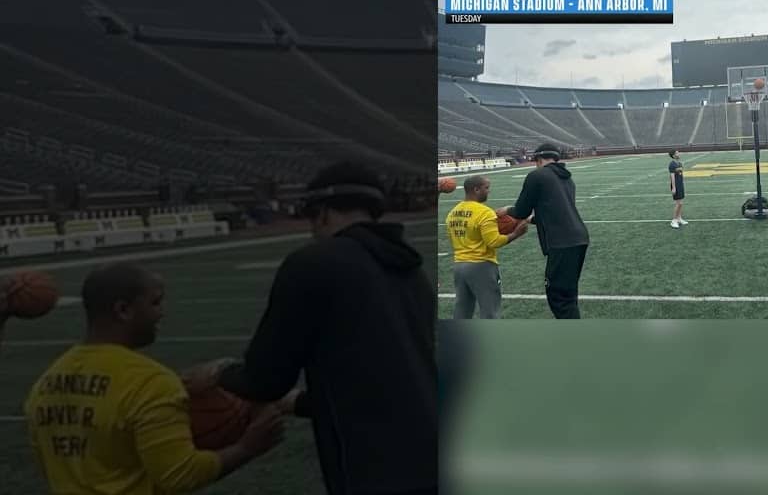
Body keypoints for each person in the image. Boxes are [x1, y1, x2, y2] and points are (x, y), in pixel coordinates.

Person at [186, 161, 438, 493]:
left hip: (376, 470)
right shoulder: (412, 271)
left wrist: (220, 372)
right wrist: (296, 403)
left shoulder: (313, 263)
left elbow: (264, 381)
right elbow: (387, 384)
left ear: (322, 213)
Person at [24, 263, 284, 494]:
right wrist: (247, 447)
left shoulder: (45, 383)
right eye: (155, 303)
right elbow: (181, 474)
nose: (162, 313)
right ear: (123, 310)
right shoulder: (151, 382)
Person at [499, 143, 590, 319]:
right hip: (579, 238)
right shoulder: (567, 178)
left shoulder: (537, 176)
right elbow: (556, 212)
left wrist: (507, 210)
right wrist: (532, 219)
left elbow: (521, 210)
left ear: (539, 159)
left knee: (558, 297)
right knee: (568, 294)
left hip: (562, 242)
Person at [447, 174, 530, 319]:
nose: (488, 191)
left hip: (459, 265)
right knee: (490, 311)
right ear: (476, 189)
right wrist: (516, 233)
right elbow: (494, 242)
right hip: (481, 265)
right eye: (486, 188)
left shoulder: (453, 212)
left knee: (462, 310)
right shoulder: (484, 212)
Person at [668, 149, 688, 229]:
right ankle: (674, 220)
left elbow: (680, 174)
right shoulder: (672, 164)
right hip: (676, 185)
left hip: (680, 184)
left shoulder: (679, 163)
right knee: (678, 203)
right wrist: (673, 188)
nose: (679, 154)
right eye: (677, 153)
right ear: (673, 155)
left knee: (681, 203)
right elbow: (672, 176)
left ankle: (679, 218)